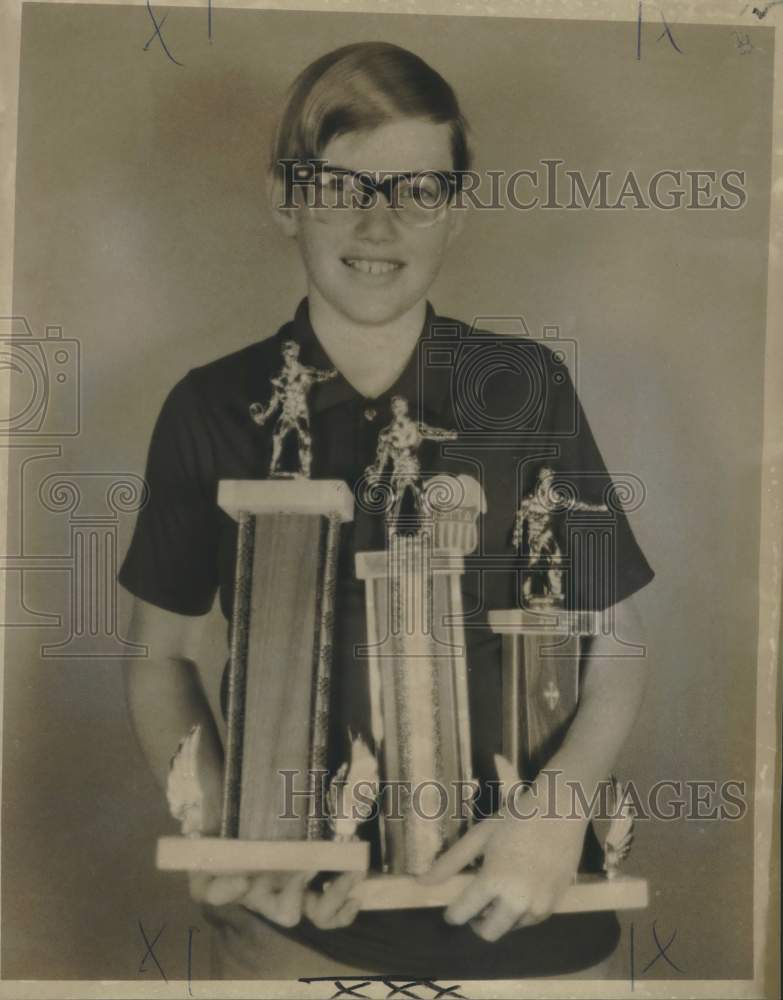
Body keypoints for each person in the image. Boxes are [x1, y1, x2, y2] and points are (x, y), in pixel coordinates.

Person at [120, 41, 654, 980]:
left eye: (416, 189)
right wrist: (230, 835)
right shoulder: (211, 407)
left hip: (537, 915)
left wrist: (555, 811)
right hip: (297, 934)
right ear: (287, 199)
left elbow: (619, 643)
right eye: (340, 188)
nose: (378, 224)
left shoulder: (526, 387)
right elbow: (158, 655)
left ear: (457, 208)